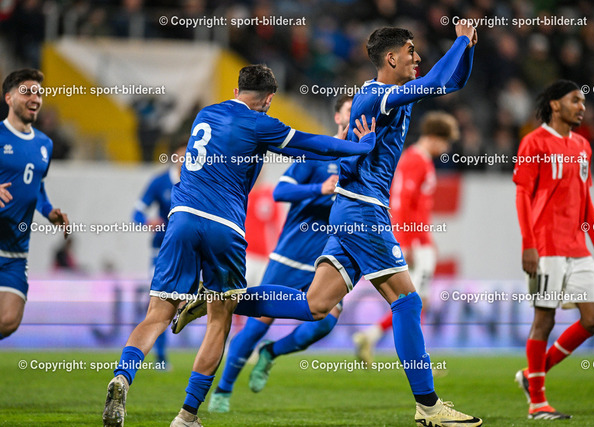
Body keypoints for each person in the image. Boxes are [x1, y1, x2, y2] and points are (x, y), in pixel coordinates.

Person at [231, 25, 481, 426]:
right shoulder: (376, 95)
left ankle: (222, 299)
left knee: (315, 305)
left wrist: (467, 49)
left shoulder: (391, 93)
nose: (418, 57)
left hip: (349, 211)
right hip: (364, 212)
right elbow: (437, 81)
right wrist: (461, 39)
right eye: (411, 51)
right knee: (407, 301)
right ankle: (429, 406)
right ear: (391, 58)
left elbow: (451, 82)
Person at [102, 64, 377, 427]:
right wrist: (361, 147)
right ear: (270, 99)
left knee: (156, 314)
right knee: (221, 317)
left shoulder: (206, 113)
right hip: (224, 226)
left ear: (236, 90)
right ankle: (187, 415)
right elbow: (315, 145)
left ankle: (123, 377)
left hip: (181, 218)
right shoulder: (262, 123)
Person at [172, 95, 353, 413]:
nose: (355, 115)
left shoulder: (361, 162)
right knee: (257, 324)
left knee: (324, 323)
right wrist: (320, 189)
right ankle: (222, 391)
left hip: (328, 257)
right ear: (337, 117)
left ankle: (271, 353)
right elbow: (281, 191)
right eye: (349, 111)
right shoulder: (316, 156)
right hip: (291, 255)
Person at [513, 80, 594, 420]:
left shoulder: (583, 146)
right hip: (546, 246)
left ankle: (532, 374)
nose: (582, 107)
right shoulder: (534, 142)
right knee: (544, 320)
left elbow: (586, 200)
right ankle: (537, 403)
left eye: (583, 101)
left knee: (593, 319)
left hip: (578, 248)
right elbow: (522, 195)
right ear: (555, 105)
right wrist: (529, 244)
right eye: (575, 100)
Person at [352, 111, 459, 366]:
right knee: (414, 302)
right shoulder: (416, 161)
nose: (445, 149)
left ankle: (372, 337)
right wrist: (405, 241)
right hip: (415, 242)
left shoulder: (418, 160)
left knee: (416, 301)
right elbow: (399, 201)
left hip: (421, 240)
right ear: (434, 138)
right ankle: (416, 362)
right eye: (445, 142)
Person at [0, 68, 69, 340]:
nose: (35, 98)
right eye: (27, 92)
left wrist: (49, 211)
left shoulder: (44, 144)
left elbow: (37, 186)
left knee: (8, 321)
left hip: (16, 252)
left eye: (38, 93)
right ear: (9, 98)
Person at [132, 142, 187, 368]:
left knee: (188, 302)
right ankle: (160, 357)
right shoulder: (160, 182)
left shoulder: (199, 180)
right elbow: (136, 213)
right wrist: (147, 221)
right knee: (161, 302)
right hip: (162, 252)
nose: (185, 158)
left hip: (188, 252)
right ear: (174, 156)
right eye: (182, 154)